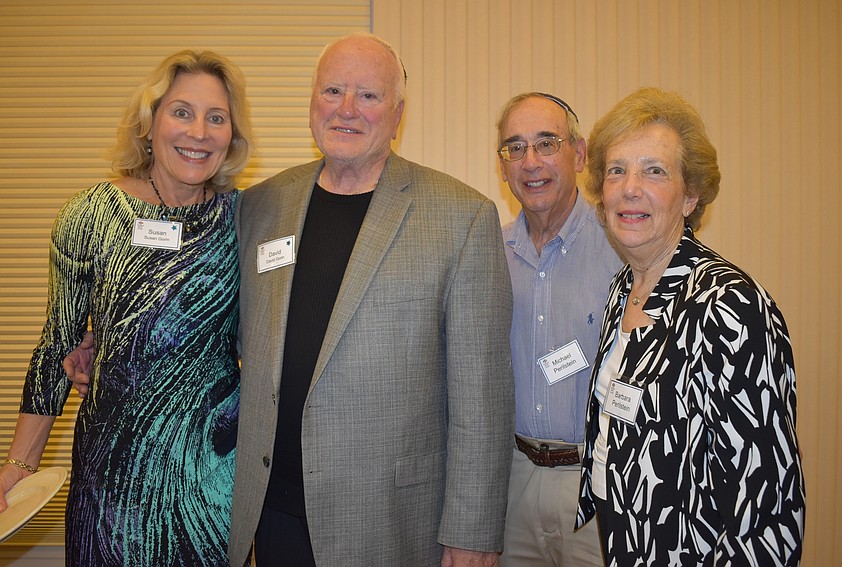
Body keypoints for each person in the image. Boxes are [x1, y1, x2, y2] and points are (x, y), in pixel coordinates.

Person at [228, 33, 514, 566]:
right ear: (311, 101)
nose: (346, 109)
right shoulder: (261, 206)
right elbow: (214, 325)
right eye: (332, 90)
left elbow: (482, 398)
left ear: (398, 114)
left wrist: (472, 532)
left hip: (390, 523)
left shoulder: (462, 217)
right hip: (273, 514)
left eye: (368, 95)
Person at [1, 50, 254, 565]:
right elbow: (57, 347)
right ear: (149, 123)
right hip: (110, 485)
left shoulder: (246, 220)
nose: (199, 132)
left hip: (212, 487)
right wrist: (19, 467)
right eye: (181, 112)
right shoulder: (90, 216)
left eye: (216, 117)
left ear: (231, 136)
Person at [574, 87, 805, 565]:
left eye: (654, 171)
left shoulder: (731, 305)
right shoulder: (625, 288)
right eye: (616, 170)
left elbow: (767, 506)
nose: (630, 187)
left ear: (691, 195)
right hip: (624, 536)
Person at [495, 92, 621, 566]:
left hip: (597, 484)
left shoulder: (621, 246)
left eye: (547, 143)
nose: (531, 162)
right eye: (515, 147)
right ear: (502, 165)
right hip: (514, 481)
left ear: (580, 154)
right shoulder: (487, 254)